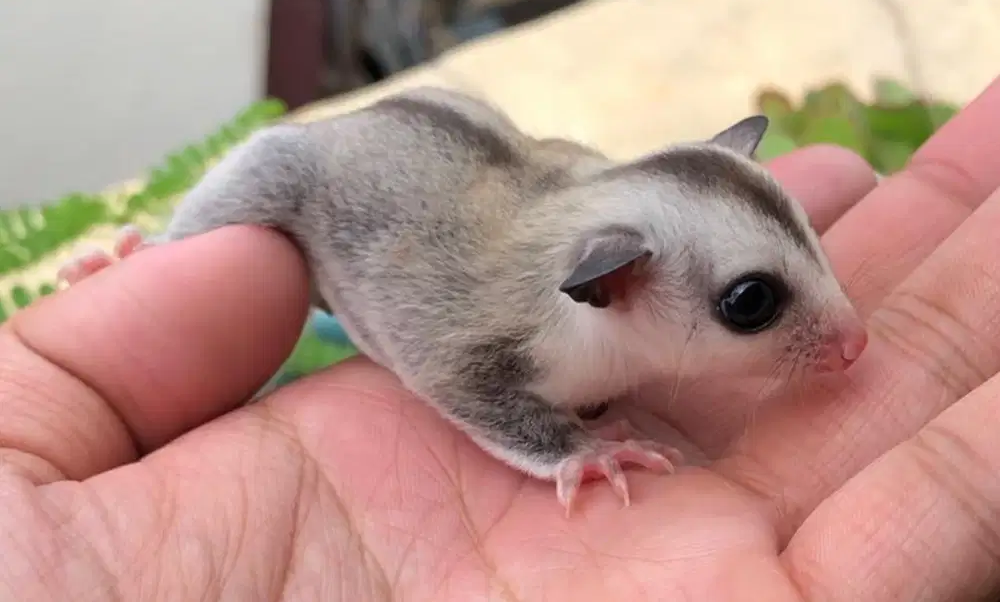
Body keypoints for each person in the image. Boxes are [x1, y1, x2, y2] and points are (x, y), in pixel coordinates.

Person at [3, 75, 1000, 602]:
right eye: (753, 304)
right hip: (365, 177)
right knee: (280, 165)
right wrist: (561, 445)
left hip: (468, 150)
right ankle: (171, 238)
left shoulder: (615, 257)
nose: (837, 339)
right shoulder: (533, 330)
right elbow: (454, 370)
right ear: (613, 286)